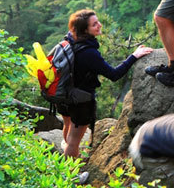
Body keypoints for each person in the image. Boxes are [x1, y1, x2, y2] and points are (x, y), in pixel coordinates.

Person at [58, 9, 153, 161]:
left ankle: (69, 151)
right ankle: (70, 174)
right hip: (80, 101)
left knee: (68, 125)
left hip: (63, 92)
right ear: (85, 30)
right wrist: (133, 56)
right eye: (94, 24)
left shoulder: (69, 40)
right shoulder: (89, 53)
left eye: (98, 21)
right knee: (74, 141)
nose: (99, 25)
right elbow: (114, 75)